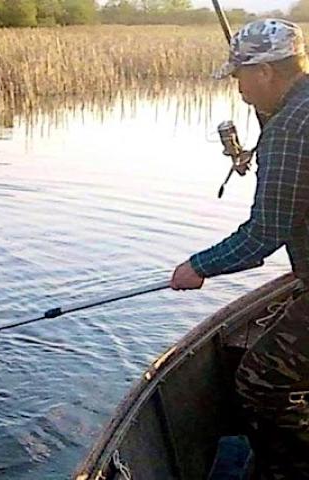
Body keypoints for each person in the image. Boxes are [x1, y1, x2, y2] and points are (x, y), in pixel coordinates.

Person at [170, 19, 309, 479]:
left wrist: (198, 266)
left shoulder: (291, 128)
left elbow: (264, 235)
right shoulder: (298, 110)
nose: (239, 87)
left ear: (266, 72)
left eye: (240, 76)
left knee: (260, 382)